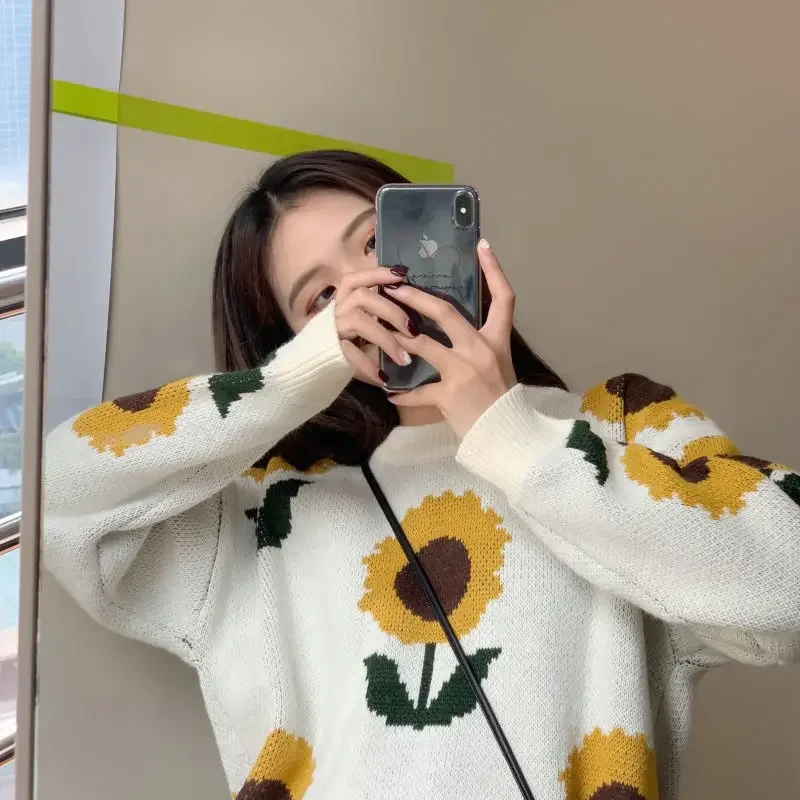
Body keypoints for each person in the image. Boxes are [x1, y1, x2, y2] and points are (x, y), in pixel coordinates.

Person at [44, 150, 800, 800]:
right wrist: (289, 383)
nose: (370, 294)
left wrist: (512, 436)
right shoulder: (265, 510)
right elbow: (60, 496)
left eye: (377, 244)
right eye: (322, 297)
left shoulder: (620, 426)